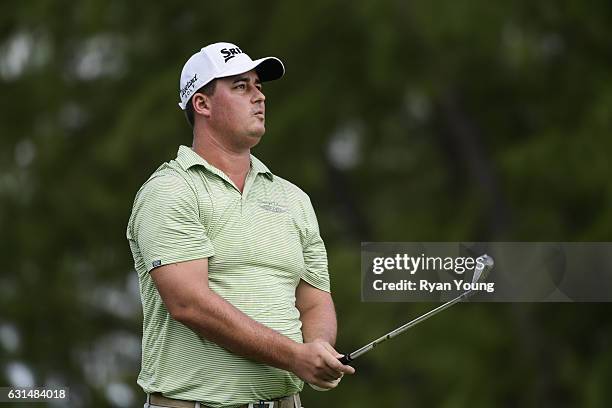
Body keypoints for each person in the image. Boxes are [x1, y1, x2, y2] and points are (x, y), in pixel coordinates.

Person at [126, 42, 354, 408]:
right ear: (202, 104)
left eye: (259, 86)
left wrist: (319, 348)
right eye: (241, 86)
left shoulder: (293, 198)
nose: (259, 97)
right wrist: (293, 356)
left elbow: (314, 300)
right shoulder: (170, 190)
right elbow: (189, 304)